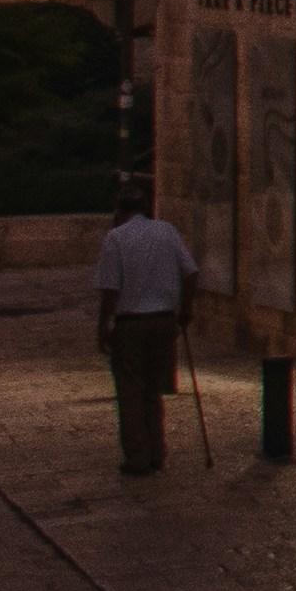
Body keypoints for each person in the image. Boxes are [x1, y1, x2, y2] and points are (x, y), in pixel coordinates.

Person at [87, 191, 193, 479]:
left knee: (131, 390)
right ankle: (157, 452)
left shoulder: (116, 238)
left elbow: (110, 288)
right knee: (153, 390)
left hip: (131, 323)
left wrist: (103, 327)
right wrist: (186, 310)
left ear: (119, 212)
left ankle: (137, 456)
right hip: (163, 321)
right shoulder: (167, 231)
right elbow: (190, 272)